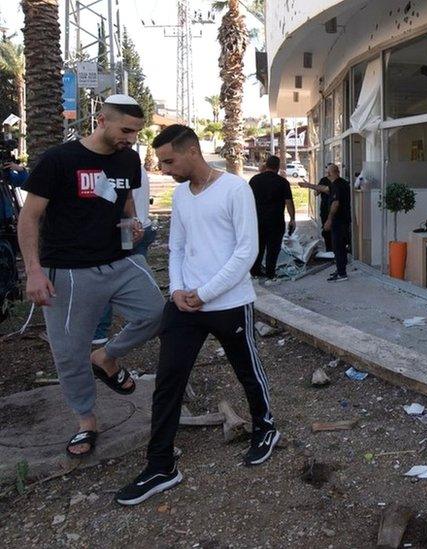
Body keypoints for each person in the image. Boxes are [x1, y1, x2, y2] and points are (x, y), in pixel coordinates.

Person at [116, 125, 277, 506]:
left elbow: (246, 252)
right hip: (184, 306)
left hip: (228, 303)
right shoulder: (180, 196)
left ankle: (265, 427)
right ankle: (160, 465)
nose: (165, 169)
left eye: (169, 161)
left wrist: (203, 293)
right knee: (168, 380)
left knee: (247, 371)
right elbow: (178, 248)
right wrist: (176, 291)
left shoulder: (235, 189)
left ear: (192, 152)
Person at [17, 94, 165, 458]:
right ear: (101, 120)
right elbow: (29, 217)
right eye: (126, 130)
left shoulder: (128, 159)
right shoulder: (58, 160)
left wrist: (131, 222)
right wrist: (34, 272)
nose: (131, 139)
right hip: (67, 269)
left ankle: (106, 358)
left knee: (158, 313)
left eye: (136, 132)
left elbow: (125, 201)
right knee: (68, 352)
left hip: (120, 260)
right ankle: (86, 421)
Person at [92, 166, 155, 345]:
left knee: (107, 278)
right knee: (137, 276)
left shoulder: (115, 168)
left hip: (126, 229)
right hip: (141, 226)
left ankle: (99, 331)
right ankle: (139, 324)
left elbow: (117, 202)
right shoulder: (136, 166)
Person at [299, 163, 351, 282]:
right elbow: (324, 189)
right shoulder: (341, 183)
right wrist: (308, 185)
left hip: (338, 221)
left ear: (329, 174)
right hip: (344, 220)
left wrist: (329, 220)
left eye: (327, 172)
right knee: (340, 247)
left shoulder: (337, 185)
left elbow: (335, 203)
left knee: (338, 247)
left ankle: (342, 274)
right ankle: (340, 269)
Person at [248, 155, 295, 280]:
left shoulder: (254, 180)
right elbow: (289, 202)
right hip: (275, 221)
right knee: (273, 248)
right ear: (278, 167)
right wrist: (292, 219)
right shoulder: (283, 182)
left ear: (266, 165)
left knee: (258, 247)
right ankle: (270, 274)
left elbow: (247, 201)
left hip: (257, 221)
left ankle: (255, 272)